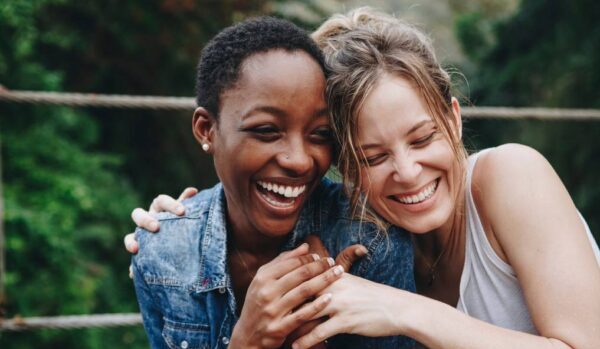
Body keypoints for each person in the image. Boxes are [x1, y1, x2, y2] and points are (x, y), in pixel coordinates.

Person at [131, 8, 600, 349]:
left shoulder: (510, 176)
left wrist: (402, 309)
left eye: (422, 139)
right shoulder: (368, 237)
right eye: (373, 157)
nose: (408, 172)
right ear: (344, 166)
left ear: (454, 120)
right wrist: (181, 229)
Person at [129, 16, 415, 349]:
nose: (299, 160)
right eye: (266, 131)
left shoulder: (370, 239)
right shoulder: (163, 253)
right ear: (207, 129)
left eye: (320, 134)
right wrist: (247, 341)